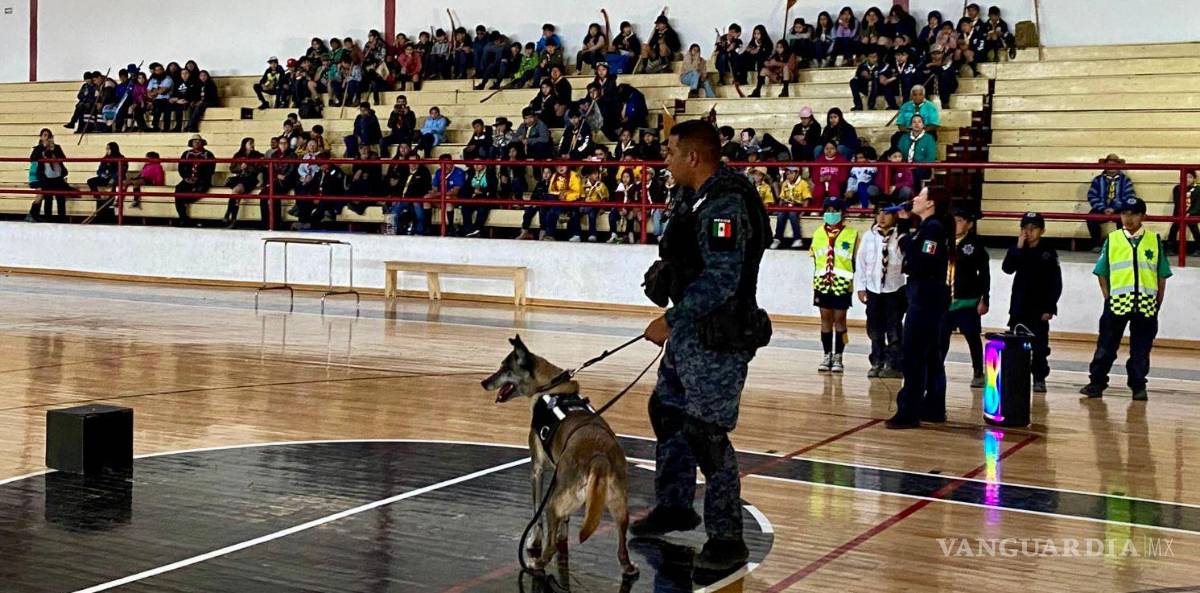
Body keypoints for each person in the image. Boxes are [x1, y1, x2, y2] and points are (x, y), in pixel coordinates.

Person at [636, 119, 770, 572]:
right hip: (692, 333)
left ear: (693, 156)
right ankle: (674, 505)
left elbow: (723, 279)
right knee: (667, 410)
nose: (665, 160)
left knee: (706, 434)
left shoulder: (725, 204)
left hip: (718, 334)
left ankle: (727, 537)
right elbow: (687, 256)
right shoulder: (694, 197)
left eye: (671, 152)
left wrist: (671, 319)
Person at [1080, 197, 1171, 401]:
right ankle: (1097, 382)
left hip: (1146, 304)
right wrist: (1108, 298)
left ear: (1142, 216)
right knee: (1106, 346)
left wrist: (1157, 302)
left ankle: (1138, 385)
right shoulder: (1112, 239)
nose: (1128, 219)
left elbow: (1161, 275)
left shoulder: (1154, 241)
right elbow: (1102, 272)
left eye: (1133, 214)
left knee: (1141, 349)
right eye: (1124, 214)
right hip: (1117, 302)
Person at [887, 185, 953, 429]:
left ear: (931, 203)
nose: (914, 198)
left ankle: (909, 411)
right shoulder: (927, 228)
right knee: (930, 354)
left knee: (913, 354)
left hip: (926, 296)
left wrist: (904, 236)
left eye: (921, 196)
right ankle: (934, 407)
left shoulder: (933, 229)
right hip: (927, 295)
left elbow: (919, 259)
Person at [1002, 212, 1063, 393]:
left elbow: (1056, 283)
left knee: (1039, 346)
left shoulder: (1048, 252)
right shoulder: (1017, 249)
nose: (1028, 232)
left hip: (1039, 307)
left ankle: (1039, 377)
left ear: (1042, 230)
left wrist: (1050, 307)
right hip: (1019, 306)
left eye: (1033, 228)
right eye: (1025, 228)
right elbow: (1007, 269)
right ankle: (1017, 376)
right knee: (1016, 344)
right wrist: (1018, 248)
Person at [855, 200, 907, 378]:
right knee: (874, 328)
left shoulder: (902, 235)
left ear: (895, 215)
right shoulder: (869, 236)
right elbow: (861, 263)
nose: (882, 217)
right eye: (878, 213)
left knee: (894, 328)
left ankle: (894, 364)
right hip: (873, 289)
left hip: (895, 289)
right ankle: (877, 360)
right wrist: (861, 287)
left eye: (886, 213)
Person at [940, 207, 990, 389]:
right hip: (945, 301)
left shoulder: (975, 245)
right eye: (954, 220)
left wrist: (985, 298)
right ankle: (938, 367)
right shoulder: (943, 241)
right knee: (941, 337)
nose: (956, 224)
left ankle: (978, 371)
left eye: (961, 221)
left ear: (969, 224)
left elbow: (984, 273)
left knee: (972, 337)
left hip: (967, 301)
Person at [810, 197, 859, 372]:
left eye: (835, 210)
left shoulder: (852, 234)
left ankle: (839, 355)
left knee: (840, 320)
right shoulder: (817, 233)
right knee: (825, 319)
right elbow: (815, 257)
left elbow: (854, 258)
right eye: (828, 211)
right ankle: (826, 354)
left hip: (842, 282)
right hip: (823, 281)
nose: (831, 214)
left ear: (843, 213)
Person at [1087, 154, 1138, 252]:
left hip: (1119, 208)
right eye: (1109, 164)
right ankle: (1097, 243)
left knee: (1125, 217)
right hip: (1102, 208)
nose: (1112, 167)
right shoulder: (1098, 180)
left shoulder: (1125, 180)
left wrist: (1115, 208)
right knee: (1091, 218)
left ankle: (1121, 243)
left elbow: (1129, 197)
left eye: (1114, 164)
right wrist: (1102, 208)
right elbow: (1092, 196)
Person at [222, 137, 263, 228]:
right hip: (239, 178)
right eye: (250, 143)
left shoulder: (257, 155)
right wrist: (240, 168)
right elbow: (232, 168)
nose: (252, 145)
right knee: (236, 196)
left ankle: (228, 214)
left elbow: (258, 168)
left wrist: (248, 166)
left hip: (250, 179)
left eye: (253, 143)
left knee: (236, 191)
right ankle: (233, 220)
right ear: (244, 145)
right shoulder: (238, 154)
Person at [29, 132, 70, 222]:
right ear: (41, 137)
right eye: (45, 135)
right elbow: (33, 158)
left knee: (60, 198)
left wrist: (53, 149)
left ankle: (62, 218)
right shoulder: (38, 148)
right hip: (46, 177)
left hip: (58, 176)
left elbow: (63, 158)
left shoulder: (57, 147)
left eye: (49, 135)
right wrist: (43, 147)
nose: (47, 137)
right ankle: (48, 218)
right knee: (48, 198)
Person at [174, 135, 215, 225]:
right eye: (194, 141)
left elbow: (211, 170)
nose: (197, 142)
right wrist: (186, 178)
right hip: (188, 179)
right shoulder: (186, 154)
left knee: (199, 190)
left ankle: (184, 203)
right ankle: (183, 218)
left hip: (203, 180)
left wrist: (199, 178)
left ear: (202, 143)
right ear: (191, 143)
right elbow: (181, 168)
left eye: (199, 141)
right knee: (178, 189)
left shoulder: (208, 154)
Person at [86, 142, 128, 221]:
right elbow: (99, 170)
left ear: (113, 149)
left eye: (109, 149)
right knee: (90, 181)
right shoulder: (105, 158)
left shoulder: (122, 158)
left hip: (117, 178)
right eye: (107, 149)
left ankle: (110, 201)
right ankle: (98, 198)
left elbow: (122, 171)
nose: (107, 150)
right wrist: (102, 174)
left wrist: (113, 177)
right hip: (105, 178)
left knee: (116, 183)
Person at [771, 166, 811, 249]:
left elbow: (806, 199)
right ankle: (777, 238)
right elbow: (782, 198)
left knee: (793, 213)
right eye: (787, 173)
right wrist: (779, 208)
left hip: (797, 205)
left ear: (797, 173)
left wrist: (803, 211)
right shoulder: (785, 183)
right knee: (781, 214)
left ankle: (797, 238)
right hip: (786, 205)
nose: (789, 176)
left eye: (792, 173)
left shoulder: (803, 183)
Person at [457, 162, 497, 237]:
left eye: (478, 164)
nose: (476, 166)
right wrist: (473, 191)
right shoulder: (470, 172)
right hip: (473, 197)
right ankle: (469, 230)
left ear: (484, 164)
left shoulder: (490, 173)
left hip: (485, 197)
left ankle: (477, 229)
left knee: (482, 209)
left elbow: (493, 188)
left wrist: (482, 191)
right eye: (475, 164)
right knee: (465, 207)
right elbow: (465, 187)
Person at [1167, 169, 1200, 255]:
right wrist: (1182, 213)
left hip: (1192, 214)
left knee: (1194, 228)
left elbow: (1198, 204)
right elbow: (1177, 202)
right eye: (1185, 177)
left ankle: (1199, 248)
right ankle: (1170, 248)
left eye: (1190, 177)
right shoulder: (1177, 188)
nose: (1187, 179)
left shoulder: (1198, 189)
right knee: (1174, 228)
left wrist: (1191, 213)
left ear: (1195, 179)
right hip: (1180, 213)